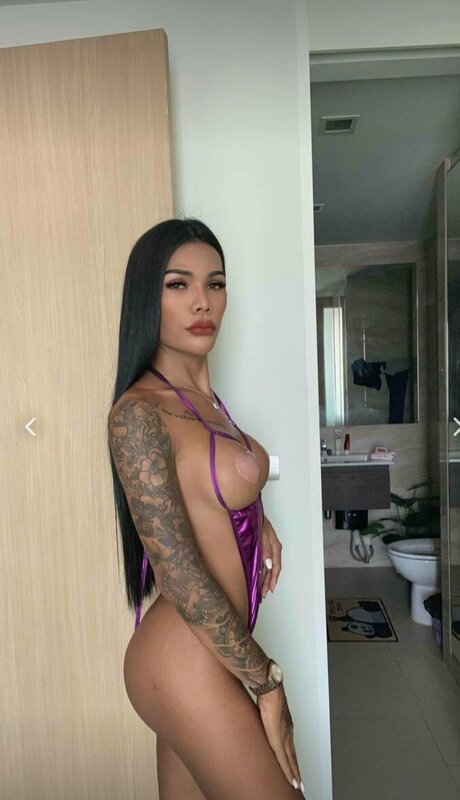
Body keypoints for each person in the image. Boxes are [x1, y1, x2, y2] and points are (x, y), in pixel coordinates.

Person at [107, 218, 305, 799]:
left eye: (215, 283)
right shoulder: (139, 413)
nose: (203, 301)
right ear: (148, 298)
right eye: (178, 284)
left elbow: (207, 487)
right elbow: (180, 573)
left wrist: (256, 518)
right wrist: (267, 682)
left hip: (210, 653)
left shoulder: (205, 401)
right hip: (183, 661)